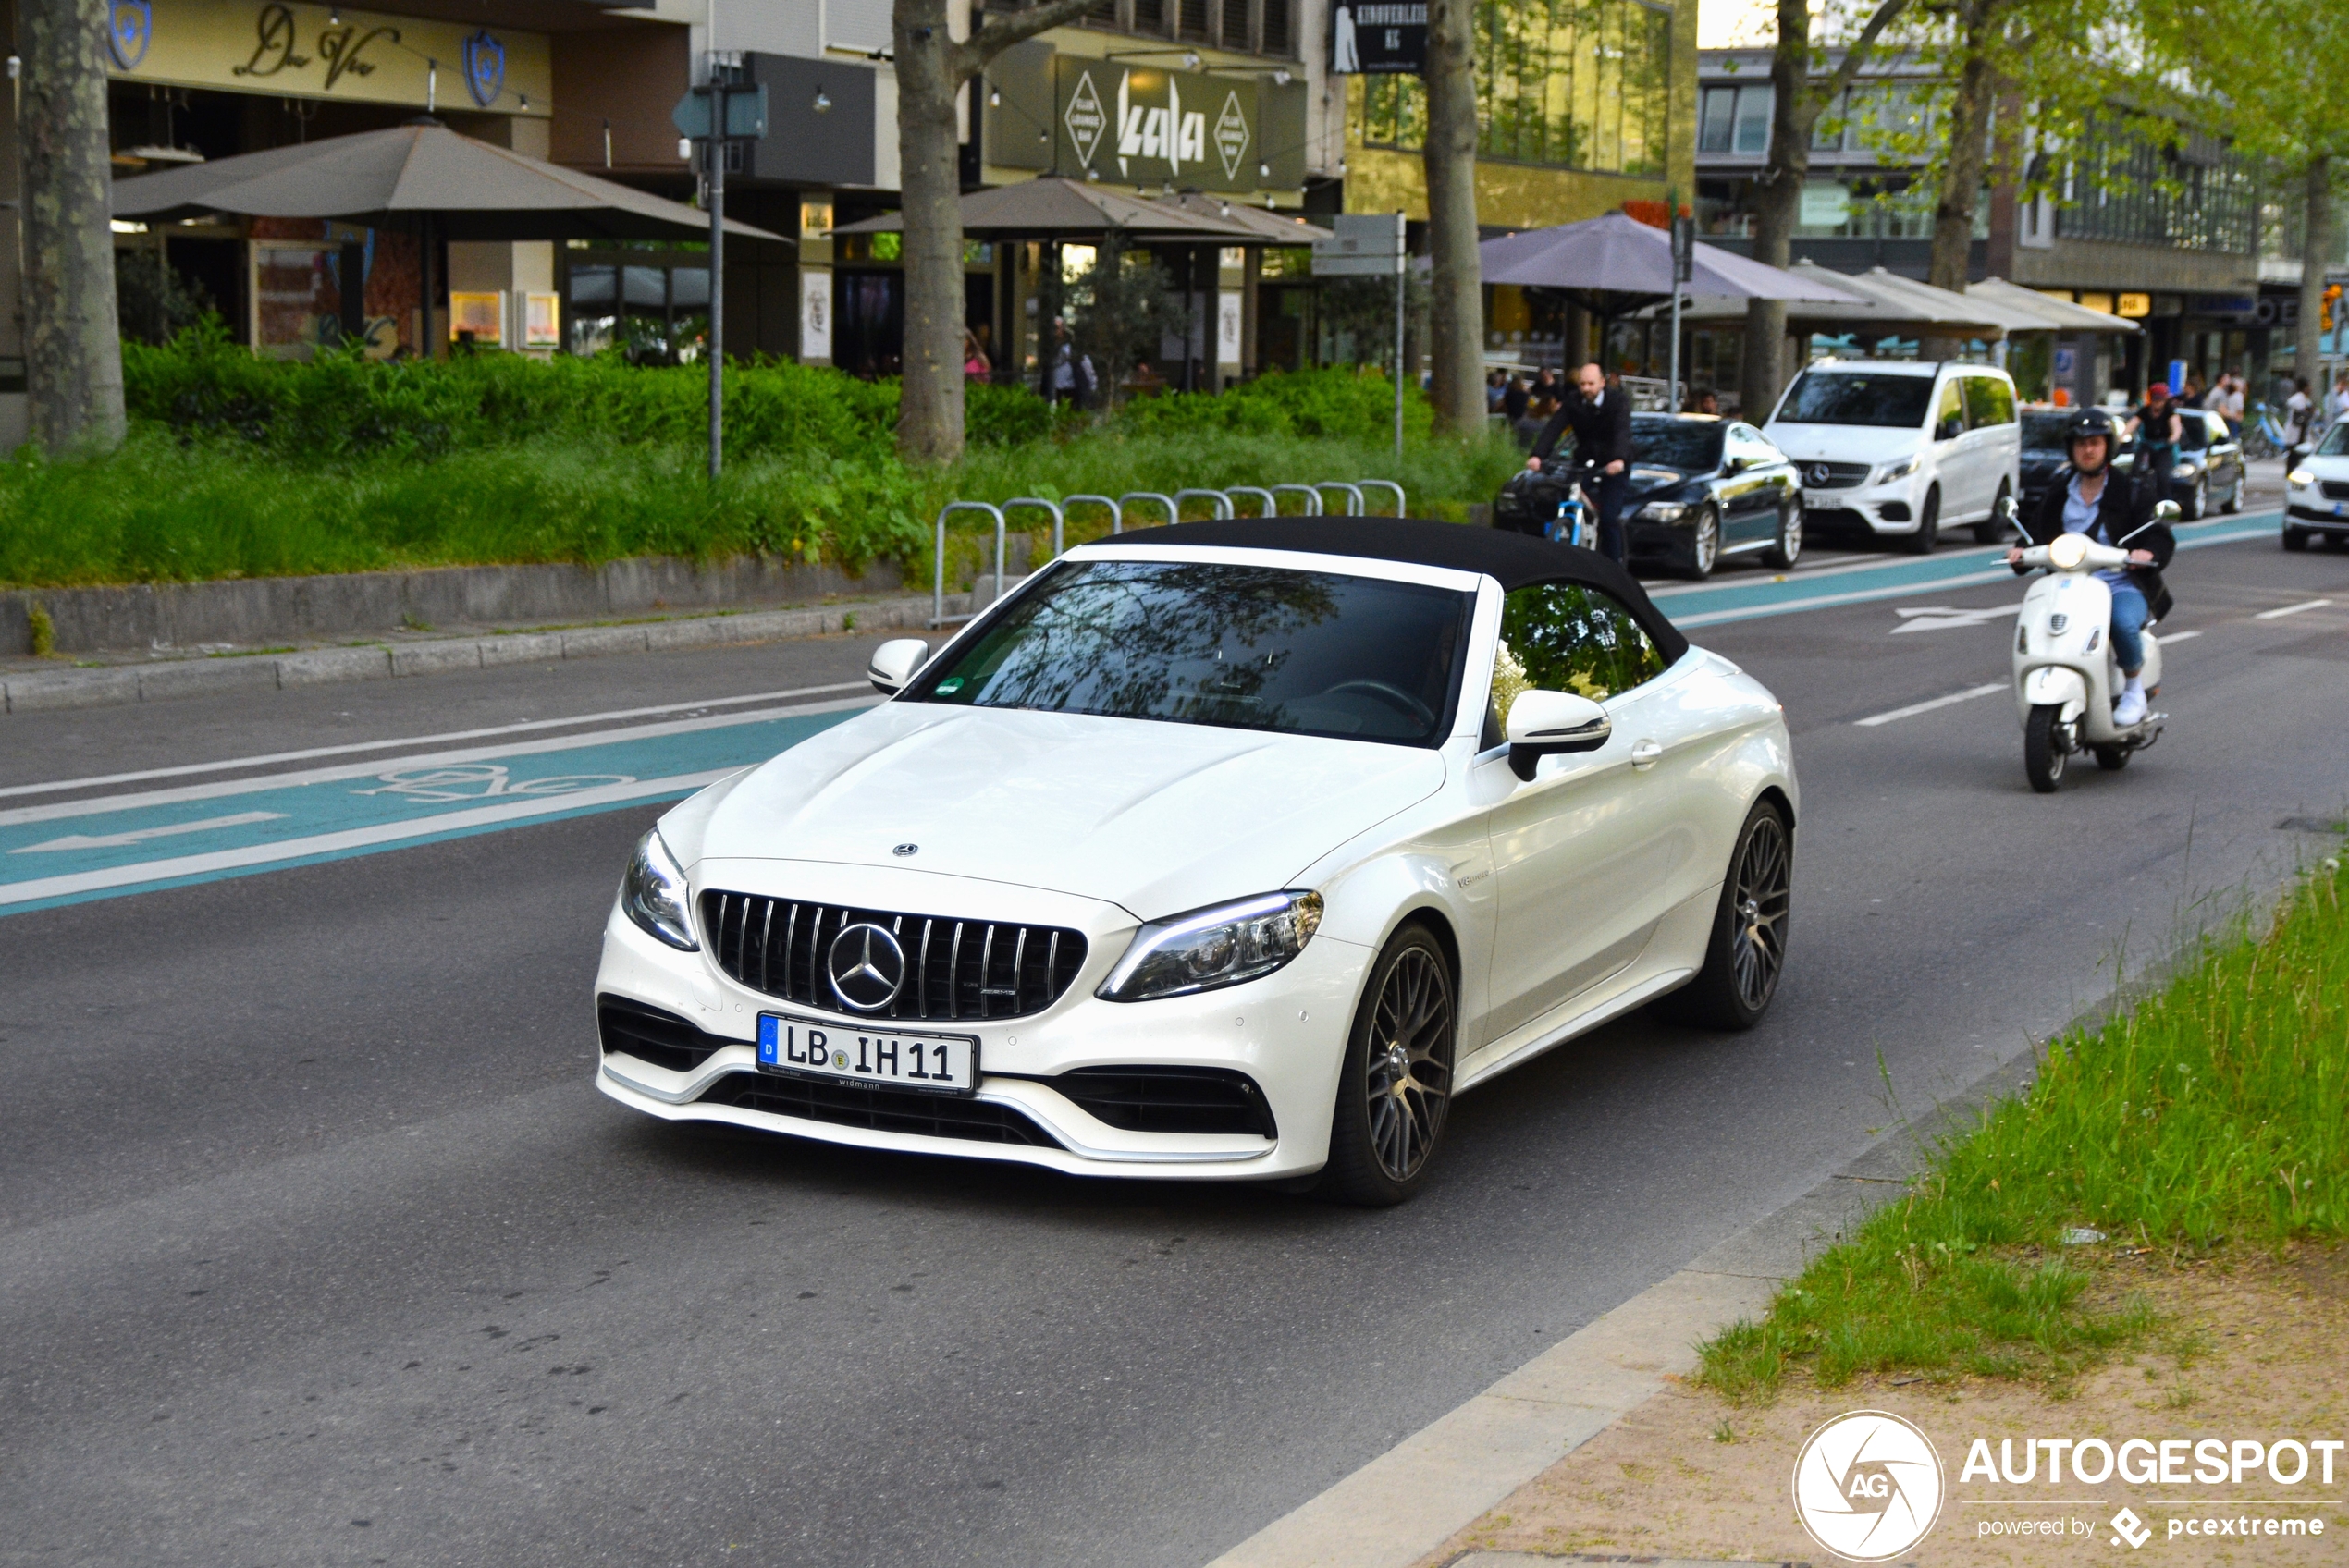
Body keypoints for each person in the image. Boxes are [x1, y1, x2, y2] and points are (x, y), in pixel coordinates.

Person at [2006, 408, 2174, 728]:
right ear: (2071, 449)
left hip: (2119, 584)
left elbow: (2160, 536)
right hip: (2066, 585)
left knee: (2123, 623)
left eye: (2095, 443)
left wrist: (2147, 552)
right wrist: (2020, 551)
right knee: (2034, 624)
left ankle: (2134, 688)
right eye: (2081, 444)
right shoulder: (2059, 491)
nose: (2087, 450)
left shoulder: (2130, 489)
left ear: (2107, 446)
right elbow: (2036, 530)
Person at [1524, 361, 1633, 563]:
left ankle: (1614, 565)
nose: (1586, 389)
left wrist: (1618, 458)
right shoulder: (1573, 401)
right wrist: (1538, 455)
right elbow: (1554, 428)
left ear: (1602, 383)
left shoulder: (1618, 402)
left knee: (1609, 517)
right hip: (1584, 461)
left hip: (1613, 465)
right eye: (1582, 384)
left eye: (1590, 384)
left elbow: (1622, 432)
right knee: (1567, 499)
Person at [2129, 383, 2182, 493]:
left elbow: (2176, 428)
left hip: (2164, 447)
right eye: (2155, 399)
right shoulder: (2145, 411)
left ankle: (2164, 500)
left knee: (2163, 476)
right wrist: (2122, 436)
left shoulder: (2169, 412)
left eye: (2160, 400)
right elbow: (2133, 423)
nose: (2157, 403)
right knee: (2136, 471)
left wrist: (2173, 437)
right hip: (2147, 445)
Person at [2214, 371, 2245, 437]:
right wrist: (2235, 417)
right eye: (2227, 378)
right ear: (2221, 380)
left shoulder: (2224, 393)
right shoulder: (2220, 393)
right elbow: (2222, 410)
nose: (2230, 380)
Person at [2285, 377, 2314, 446]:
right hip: (2294, 433)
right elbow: (2295, 405)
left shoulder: (2305, 399)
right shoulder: (2298, 398)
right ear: (2305, 388)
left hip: (2302, 434)